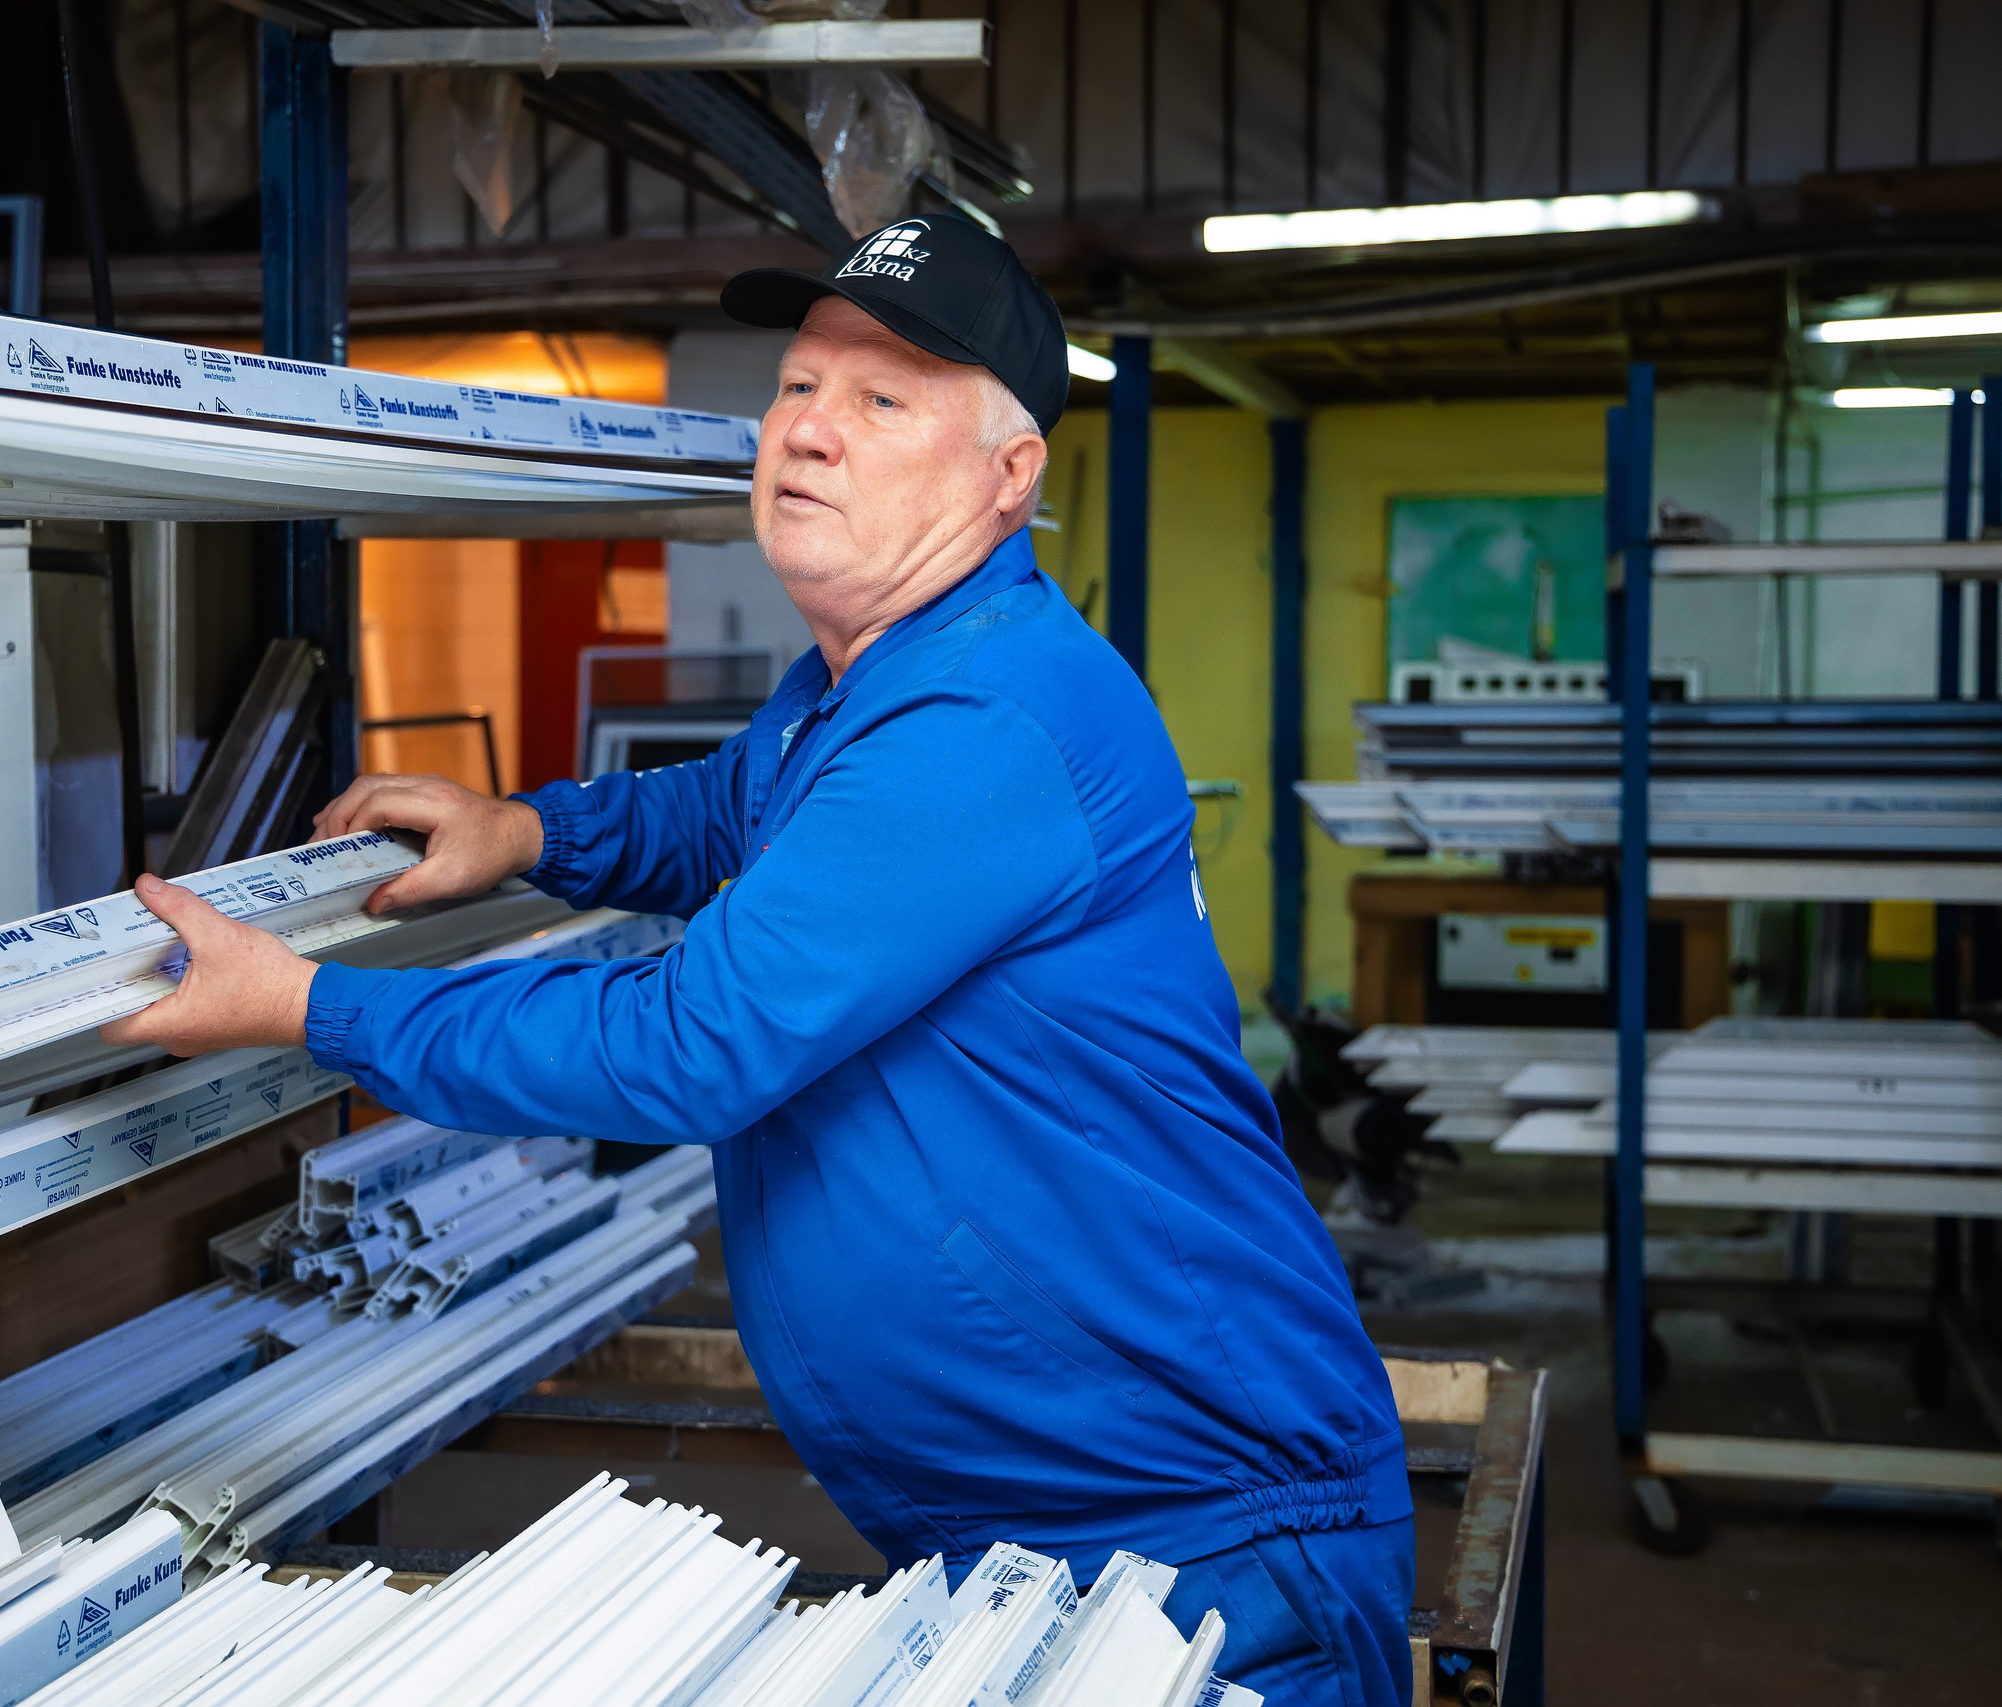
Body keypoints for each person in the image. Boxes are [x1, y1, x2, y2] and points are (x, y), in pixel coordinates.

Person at [103, 214, 1412, 1707]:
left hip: (1198, 1541)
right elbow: (725, 807)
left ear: (1008, 477)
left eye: (882, 401)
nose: (809, 434)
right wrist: (528, 830)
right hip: (1046, 1527)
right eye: (796, 388)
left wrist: (311, 1006)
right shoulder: (861, 683)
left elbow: (686, 1042)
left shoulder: (985, 719)